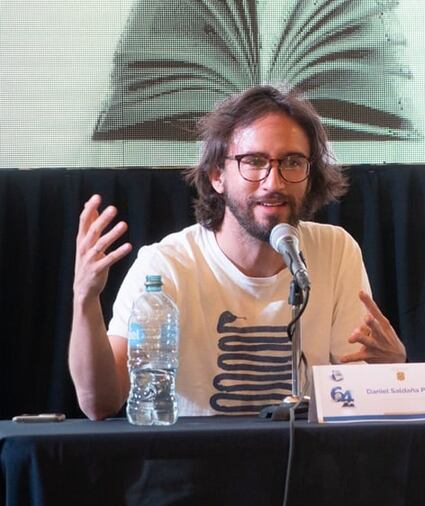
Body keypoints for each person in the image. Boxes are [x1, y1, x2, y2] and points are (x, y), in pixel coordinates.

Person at [69, 85, 407, 419]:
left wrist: (392, 372)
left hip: (307, 454)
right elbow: (99, 402)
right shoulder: (166, 265)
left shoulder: (335, 251)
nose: (274, 182)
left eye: (292, 162)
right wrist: (85, 299)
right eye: (254, 161)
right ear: (218, 174)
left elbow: (357, 395)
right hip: (197, 454)